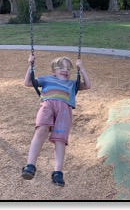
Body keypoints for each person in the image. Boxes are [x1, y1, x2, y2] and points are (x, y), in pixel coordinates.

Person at [21, 54, 91, 187]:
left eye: (69, 68)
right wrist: (30, 66)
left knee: (60, 139)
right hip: (47, 105)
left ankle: (58, 172)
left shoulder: (72, 83)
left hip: (64, 110)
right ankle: (30, 165)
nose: (65, 70)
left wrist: (81, 68)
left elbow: (87, 85)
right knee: (41, 130)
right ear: (53, 71)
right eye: (60, 67)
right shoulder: (47, 79)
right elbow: (28, 83)